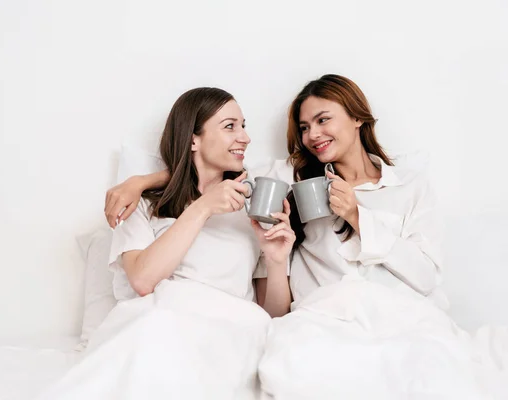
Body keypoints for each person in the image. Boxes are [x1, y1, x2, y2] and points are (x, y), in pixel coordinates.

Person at [104, 75, 497, 398]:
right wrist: (143, 180)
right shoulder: (291, 181)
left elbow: (426, 276)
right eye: (305, 128)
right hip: (320, 321)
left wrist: (357, 219)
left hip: (393, 315)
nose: (313, 135)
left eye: (323, 120)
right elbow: (211, 168)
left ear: (358, 117)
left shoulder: (409, 186)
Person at [38, 87, 294, 400]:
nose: (244, 137)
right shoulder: (141, 205)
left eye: (243, 125)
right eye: (230, 126)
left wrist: (277, 260)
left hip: (230, 336)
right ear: (193, 139)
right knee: (152, 334)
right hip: (161, 325)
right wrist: (201, 208)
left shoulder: (252, 211)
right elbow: (143, 280)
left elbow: (275, 317)